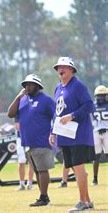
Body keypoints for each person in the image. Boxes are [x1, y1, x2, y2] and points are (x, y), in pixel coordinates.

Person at [49, 57, 95, 212]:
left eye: (63, 67)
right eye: (58, 67)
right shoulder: (58, 87)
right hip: (64, 135)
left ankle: (82, 201)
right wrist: (52, 132)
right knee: (76, 169)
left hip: (78, 134)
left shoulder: (78, 86)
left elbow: (89, 105)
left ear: (71, 69)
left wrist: (72, 115)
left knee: (78, 167)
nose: (60, 69)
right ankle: (87, 201)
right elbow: (57, 112)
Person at [8, 74, 55, 207]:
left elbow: (56, 116)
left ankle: (44, 197)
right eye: (26, 84)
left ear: (38, 86)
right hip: (27, 142)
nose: (27, 86)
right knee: (36, 170)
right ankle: (44, 198)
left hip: (42, 140)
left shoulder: (46, 100)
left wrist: (53, 133)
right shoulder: (22, 99)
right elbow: (10, 114)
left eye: (31, 84)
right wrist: (18, 97)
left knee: (42, 170)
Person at [92, 85, 108, 186]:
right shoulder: (93, 105)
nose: (101, 97)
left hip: (107, 131)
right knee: (96, 156)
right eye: (99, 95)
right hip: (96, 132)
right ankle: (95, 179)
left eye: (103, 95)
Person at [14, 120, 34, 191]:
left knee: (31, 160)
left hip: (31, 136)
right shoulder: (19, 111)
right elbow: (17, 126)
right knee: (21, 160)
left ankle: (30, 183)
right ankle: (22, 184)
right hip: (21, 137)